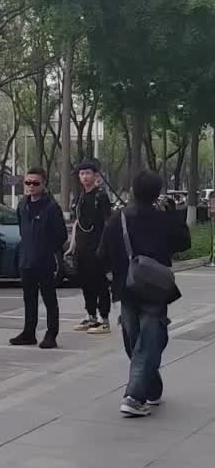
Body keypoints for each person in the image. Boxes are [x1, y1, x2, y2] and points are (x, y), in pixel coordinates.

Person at [99, 169, 190, 417]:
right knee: (149, 343)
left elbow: (102, 254)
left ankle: (143, 391)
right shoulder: (163, 218)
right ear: (156, 193)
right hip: (155, 289)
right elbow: (184, 243)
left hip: (126, 288)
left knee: (136, 343)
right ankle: (136, 396)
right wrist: (174, 215)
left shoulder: (118, 218)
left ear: (133, 190)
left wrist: (112, 276)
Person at [10, 166, 68, 349]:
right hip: (26, 260)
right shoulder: (22, 205)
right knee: (29, 298)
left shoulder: (51, 207)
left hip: (44, 261)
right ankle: (29, 332)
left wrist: (46, 249)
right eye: (28, 182)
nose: (31, 186)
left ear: (43, 184)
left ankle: (51, 334)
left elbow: (61, 235)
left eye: (35, 183)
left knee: (49, 298)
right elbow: (22, 229)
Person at [72, 159, 112, 333]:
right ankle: (91, 316)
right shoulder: (79, 197)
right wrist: (72, 246)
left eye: (88, 173)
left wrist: (105, 247)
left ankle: (104, 319)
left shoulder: (100, 196)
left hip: (97, 247)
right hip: (82, 248)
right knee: (85, 283)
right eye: (82, 174)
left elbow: (108, 222)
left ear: (95, 175)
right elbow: (77, 223)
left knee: (100, 283)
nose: (84, 177)